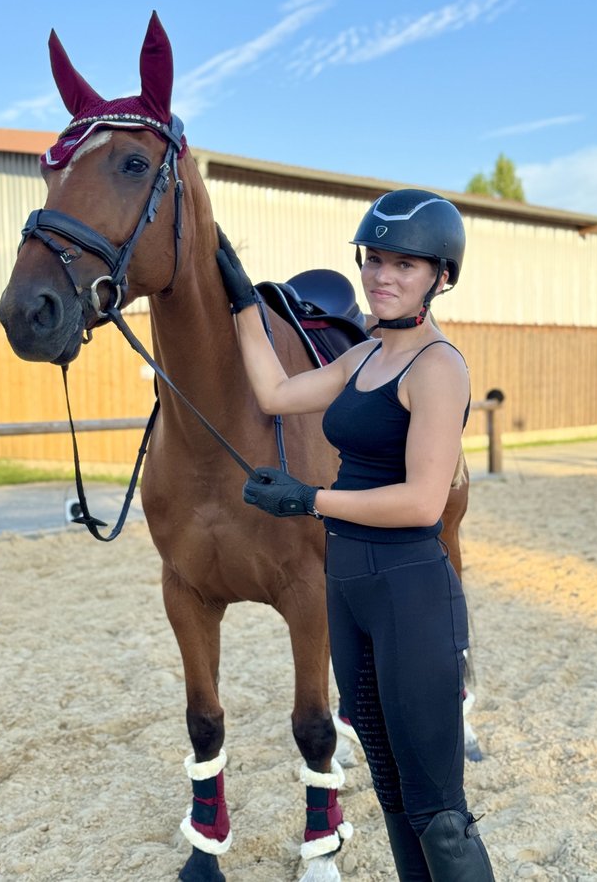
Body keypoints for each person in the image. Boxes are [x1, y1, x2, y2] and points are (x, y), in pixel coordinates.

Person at [216, 190, 497, 881]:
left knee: (439, 809)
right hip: (348, 592)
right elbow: (276, 395)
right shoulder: (365, 355)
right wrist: (242, 302)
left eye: (404, 264)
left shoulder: (437, 368)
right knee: (391, 788)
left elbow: (424, 502)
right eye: (373, 260)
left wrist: (311, 498)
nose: (381, 276)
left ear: (442, 277)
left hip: (409, 592)